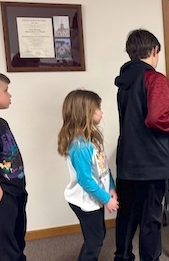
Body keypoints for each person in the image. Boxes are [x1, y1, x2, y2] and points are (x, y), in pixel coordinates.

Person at [114, 29, 169, 261]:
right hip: (151, 161)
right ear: (154, 51)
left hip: (128, 159)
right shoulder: (155, 79)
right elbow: (156, 118)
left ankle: (123, 257)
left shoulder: (124, 81)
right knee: (150, 218)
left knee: (127, 215)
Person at [57, 89, 118, 260]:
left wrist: (111, 188)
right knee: (95, 241)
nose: (102, 111)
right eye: (98, 108)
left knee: (98, 235)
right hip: (85, 200)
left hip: (96, 197)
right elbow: (85, 180)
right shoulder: (79, 146)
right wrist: (106, 199)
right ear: (86, 113)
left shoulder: (91, 138)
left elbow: (103, 168)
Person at [0, 71, 27, 261]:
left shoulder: (0, 122)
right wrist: (0, 198)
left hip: (16, 194)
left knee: (16, 239)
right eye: (5, 90)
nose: (9, 95)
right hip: (3, 199)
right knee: (3, 248)